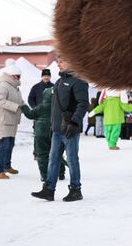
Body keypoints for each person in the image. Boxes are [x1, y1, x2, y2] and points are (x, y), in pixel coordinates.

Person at [31, 58, 89, 201]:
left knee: (72, 160)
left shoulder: (79, 81)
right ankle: (49, 190)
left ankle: (76, 190)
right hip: (57, 130)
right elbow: (55, 107)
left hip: (70, 129)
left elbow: (83, 104)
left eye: (62, 60)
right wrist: (52, 125)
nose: (58, 63)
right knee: (53, 159)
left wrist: (75, 123)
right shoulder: (59, 81)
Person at [21, 88, 67, 182]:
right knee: (57, 153)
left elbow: (30, 115)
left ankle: (45, 175)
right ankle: (61, 173)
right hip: (55, 132)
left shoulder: (41, 107)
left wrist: (24, 107)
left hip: (41, 133)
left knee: (42, 155)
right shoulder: (59, 107)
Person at [0, 63, 24, 179]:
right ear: (11, 76)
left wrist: (26, 108)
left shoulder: (14, 87)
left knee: (10, 144)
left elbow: (20, 101)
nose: (19, 78)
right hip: (3, 120)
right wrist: (16, 107)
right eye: (17, 76)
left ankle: (7, 166)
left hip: (11, 120)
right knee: (4, 146)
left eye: (20, 76)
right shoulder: (3, 86)